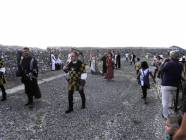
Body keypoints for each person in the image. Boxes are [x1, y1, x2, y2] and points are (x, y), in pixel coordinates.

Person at [160, 50, 184, 119]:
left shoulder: (168, 63)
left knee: (165, 101)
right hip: (175, 85)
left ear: (171, 56)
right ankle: (174, 110)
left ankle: (165, 115)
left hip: (166, 84)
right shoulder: (180, 65)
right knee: (173, 98)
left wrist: (164, 62)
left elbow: (160, 70)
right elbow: (180, 75)